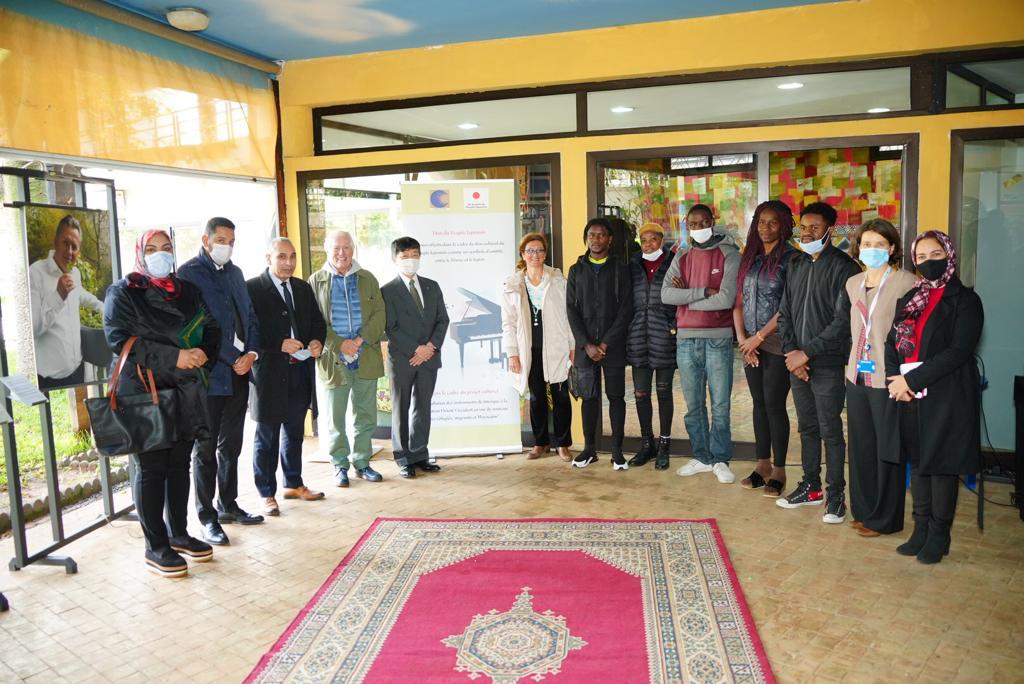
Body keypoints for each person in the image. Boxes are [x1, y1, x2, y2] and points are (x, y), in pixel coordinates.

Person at [103, 229, 219, 577]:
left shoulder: (187, 290)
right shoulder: (124, 292)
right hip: (145, 389)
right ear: (140, 254)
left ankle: (178, 533)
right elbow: (120, 339)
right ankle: (155, 546)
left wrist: (203, 354)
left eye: (166, 248)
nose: (160, 255)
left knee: (179, 463)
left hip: (184, 389)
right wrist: (175, 356)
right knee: (152, 467)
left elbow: (211, 325)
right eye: (152, 249)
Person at [886, 231, 983, 564]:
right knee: (918, 462)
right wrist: (895, 380)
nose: (929, 261)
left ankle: (940, 534)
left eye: (936, 254)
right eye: (922, 257)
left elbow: (958, 351)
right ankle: (921, 528)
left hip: (947, 395)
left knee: (941, 465)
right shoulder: (911, 297)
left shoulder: (966, 300)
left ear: (950, 255)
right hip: (910, 395)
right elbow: (891, 343)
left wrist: (910, 380)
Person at [178, 217, 263, 545]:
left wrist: (251, 353)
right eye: (221, 240)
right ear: (206, 240)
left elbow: (250, 317)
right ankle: (207, 517)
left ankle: (228, 504)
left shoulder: (236, 273)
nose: (226, 246)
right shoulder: (189, 275)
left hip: (240, 374)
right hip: (209, 376)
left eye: (231, 241)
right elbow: (198, 327)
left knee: (231, 445)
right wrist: (232, 357)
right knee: (205, 448)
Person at [776, 202, 861, 522]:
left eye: (815, 227)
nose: (807, 232)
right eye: (804, 227)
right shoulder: (795, 263)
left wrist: (806, 353)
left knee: (830, 430)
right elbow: (784, 313)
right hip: (797, 363)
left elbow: (842, 322)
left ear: (830, 230)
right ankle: (811, 487)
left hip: (826, 363)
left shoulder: (845, 267)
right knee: (807, 427)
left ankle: (835, 495)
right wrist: (792, 354)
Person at [839, 219, 918, 536]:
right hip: (856, 376)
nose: (872, 250)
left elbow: (913, 336)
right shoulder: (852, 283)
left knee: (888, 449)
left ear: (892, 248)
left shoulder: (907, 283)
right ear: (858, 248)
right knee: (860, 448)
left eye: (880, 244)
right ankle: (863, 511)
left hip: (889, 378)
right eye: (867, 244)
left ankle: (885, 519)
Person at [247, 238, 328, 517]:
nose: (289, 262)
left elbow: (317, 322)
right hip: (269, 374)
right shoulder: (252, 289)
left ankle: (293, 483)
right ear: (268, 258)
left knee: (294, 433)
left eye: (292, 256)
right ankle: (266, 493)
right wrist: (277, 343)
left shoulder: (302, 288)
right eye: (281, 256)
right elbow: (246, 330)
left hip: (300, 371)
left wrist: (316, 341)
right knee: (267, 437)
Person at [662, 204, 741, 484]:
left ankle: (720, 459)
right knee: (694, 405)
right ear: (687, 225)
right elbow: (666, 295)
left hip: (718, 338)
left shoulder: (730, 253)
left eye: (703, 222)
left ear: (712, 221)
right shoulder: (682, 255)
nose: (698, 228)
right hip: (685, 340)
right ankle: (702, 456)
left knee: (720, 404)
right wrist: (703, 291)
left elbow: (726, 299)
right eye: (693, 224)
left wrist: (687, 297)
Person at [309, 231, 386, 486]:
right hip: (334, 360)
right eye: (336, 248)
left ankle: (362, 462)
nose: (341, 253)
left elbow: (380, 315)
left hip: (366, 356)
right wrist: (340, 344)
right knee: (335, 418)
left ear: (353, 249)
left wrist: (360, 340)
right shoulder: (316, 281)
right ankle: (339, 465)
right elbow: (314, 321)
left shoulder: (367, 278)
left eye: (347, 247)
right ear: (327, 249)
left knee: (366, 416)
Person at [733, 201, 797, 497]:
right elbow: (738, 302)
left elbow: (787, 307)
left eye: (773, 222)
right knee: (758, 404)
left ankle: (780, 470)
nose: (766, 228)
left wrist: (757, 338)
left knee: (774, 404)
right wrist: (743, 339)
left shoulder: (792, 259)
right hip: (750, 343)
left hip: (777, 342)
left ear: (783, 225)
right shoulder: (750, 258)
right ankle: (762, 465)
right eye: (761, 221)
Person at [501, 232, 575, 462]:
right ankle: (540, 442)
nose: (535, 255)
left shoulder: (558, 280)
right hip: (528, 349)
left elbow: (568, 316)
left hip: (556, 346)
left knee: (561, 396)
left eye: (540, 250)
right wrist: (512, 354)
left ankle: (563, 444)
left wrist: (572, 345)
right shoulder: (513, 285)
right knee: (536, 397)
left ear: (545, 254)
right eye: (530, 250)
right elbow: (508, 323)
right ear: (523, 254)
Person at [566, 218, 633, 469]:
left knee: (616, 397)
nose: (595, 239)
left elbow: (626, 309)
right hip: (585, 348)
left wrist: (605, 343)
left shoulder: (620, 269)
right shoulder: (576, 270)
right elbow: (571, 310)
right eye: (591, 235)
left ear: (610, 239)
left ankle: (617, 451)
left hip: (612, 347)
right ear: (586, 239)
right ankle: (589, 449)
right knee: (589, 397)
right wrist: (586, 344)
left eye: (601, 235)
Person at [380, 237, 449, 478]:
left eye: (415, 255)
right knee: (401, 408)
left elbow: (443, 320)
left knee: (423, 407)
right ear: (394, 259)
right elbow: (390, 327)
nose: (410, 260)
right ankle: (403, 458)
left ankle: (420, 454)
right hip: (403, 359)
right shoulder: (387, 291)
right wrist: (415, 350)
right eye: (405, 256)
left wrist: (429, 347)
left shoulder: (432, 286)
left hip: (429, 358)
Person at [30, 215, 104, 389]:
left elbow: (81, 294)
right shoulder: (36, 273)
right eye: (65, 243)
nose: (69, 251)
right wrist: (58, 295)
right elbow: (34, 328)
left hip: (77, 372)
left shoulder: (75, 273)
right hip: (49, 380)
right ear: (55, 241)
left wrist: (105, 307)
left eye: (74, 247)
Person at [625, 223, 677, 470]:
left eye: (653, 239)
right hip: (638, 337)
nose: (648, 244)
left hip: (664, 336)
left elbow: (681, 298)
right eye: (644, 240)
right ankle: (647, 444)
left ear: (661, 240)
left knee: (664, 392)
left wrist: (673, 325)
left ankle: (664, 445)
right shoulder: (633, 265)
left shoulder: (674, 262)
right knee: (641, 394)